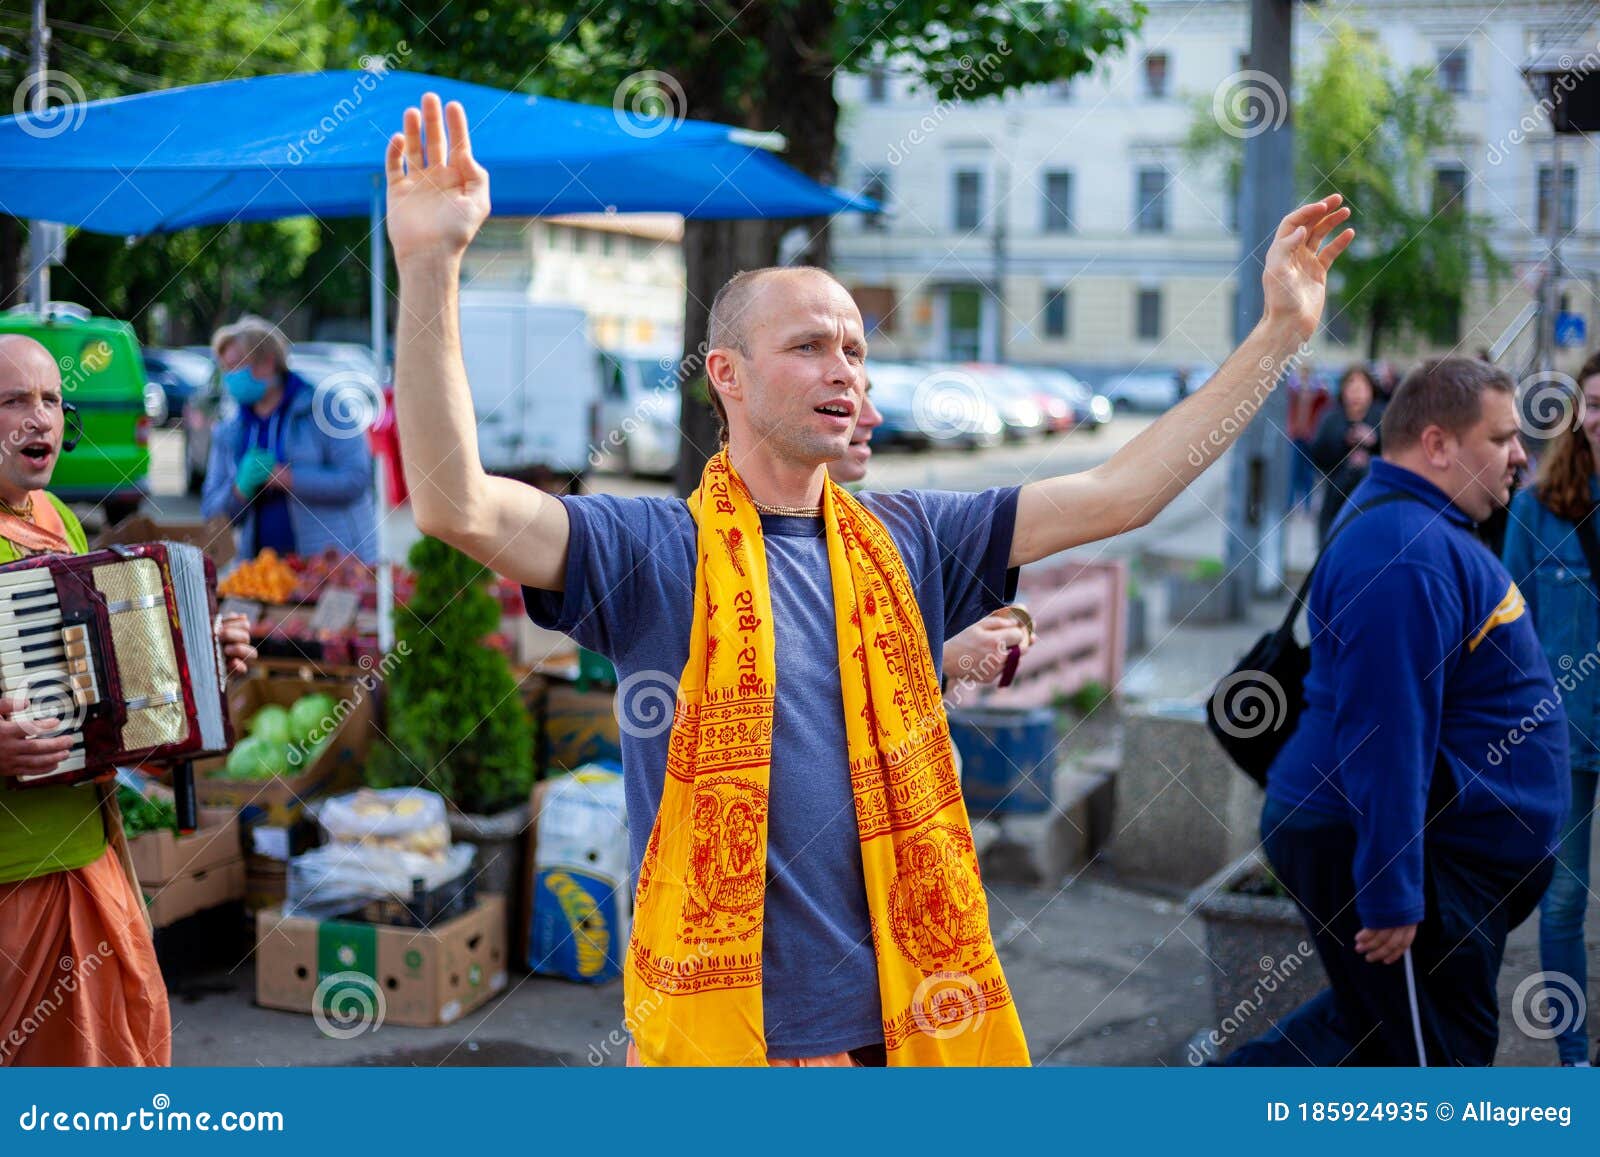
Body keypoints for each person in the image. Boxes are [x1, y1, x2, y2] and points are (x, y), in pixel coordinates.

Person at [383, 93, 1352, 1066]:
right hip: (736, 1043)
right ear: (726, 373)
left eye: (853, 345)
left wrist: (1278, 330)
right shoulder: (656, 553)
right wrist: (431, 267)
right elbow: (452, 503)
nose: (842, 364)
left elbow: (1124, 489)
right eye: (807, 344)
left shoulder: (911, 536)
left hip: (911, 1023)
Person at [1229, 357, 1568, 1067]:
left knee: (1367, 1042)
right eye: (1503, 438)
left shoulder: (1420, 526)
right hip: (1382, 851)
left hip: (1408, 850)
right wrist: (1391, 892)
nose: (1521, 456)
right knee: (1430, 1071)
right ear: (1439, 444)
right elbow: (1386, 734)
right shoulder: (1406, 551)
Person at [0, 335, 257, 1067]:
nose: (40, 418)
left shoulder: (57, 520)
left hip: (86, 847)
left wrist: (202, 659)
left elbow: (105, 686)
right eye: (15, 400)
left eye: (51, 399)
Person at [1500, 349, 1600, 1067]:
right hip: (1566, 738)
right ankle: (1573, 1061)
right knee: (1563, 900)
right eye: (1595, 403)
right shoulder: (1540, 505)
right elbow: (1512, 626)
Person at [829, 386, 1035, 686]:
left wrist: (963, 624)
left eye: (868, 394)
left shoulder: (865, 519)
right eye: (843, 402)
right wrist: (943, 653)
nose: (874, 417)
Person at [200, 316, 379, 564]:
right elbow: (211, 514)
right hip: (264, 573)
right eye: (225, 368)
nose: (230, 376)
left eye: (237, 365)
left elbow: (357, 479)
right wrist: (239, 490)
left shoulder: (325, 409)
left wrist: (287, 478)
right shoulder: (230, 429)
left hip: (331, 567)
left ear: (268, 363)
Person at [1309, 365, 1380, 546]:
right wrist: (1344, 441)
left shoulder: (1382, 418)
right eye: (1351, 387)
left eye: (1362, 388)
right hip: (1335, 497)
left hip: (1370, 499)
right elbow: (1317, 454)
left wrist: (1373, 442)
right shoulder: (1331, 418)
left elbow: (1396, 453)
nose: (1356, 394)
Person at [1284, 364, 1330, 514]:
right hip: (1297, 435)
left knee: (1308, 473)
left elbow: (1326, 403)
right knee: (1292, 471)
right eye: (1302, 373)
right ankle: (1290, 504)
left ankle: (1307, 506)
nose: (1304, 376)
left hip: (1310, 437)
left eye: (1306, 373)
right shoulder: (1294, 391)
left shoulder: (1317, 393)